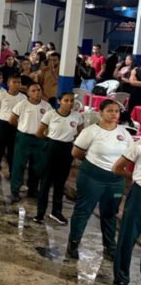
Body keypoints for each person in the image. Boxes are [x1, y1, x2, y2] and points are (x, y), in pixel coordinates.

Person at [67, 100, 131, 261]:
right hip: (92, 176)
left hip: (115, 180)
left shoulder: (124, 132)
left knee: (110, 213)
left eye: (117, 111)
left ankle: (109, 246)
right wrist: (94, 164)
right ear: (100, 112)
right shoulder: (91, 131)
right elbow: (76, 152)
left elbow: (129, 154)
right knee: (84, 210)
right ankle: (73, 243)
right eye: (110, 110)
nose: (114, 114)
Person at [34, 92, 83, 224]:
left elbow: (80, 132)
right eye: (66, 100)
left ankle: (56, 212)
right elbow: (39, 133)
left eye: (72, 101)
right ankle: (40, 213)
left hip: (67, 149)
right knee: (45, 182)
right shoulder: (50, 114)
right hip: (51, 148)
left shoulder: (77, 116)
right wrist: (51, 143)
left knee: (60, 183)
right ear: (59, 101)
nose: (69, 103)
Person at [9, 83, 52, 202]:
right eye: (33, 90)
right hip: (24, 138)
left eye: (39, 90)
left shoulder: (47, 106)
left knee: (37, 166)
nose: (37, 93)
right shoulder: (22, 104)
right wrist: (23, 127)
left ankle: (32, 189)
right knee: (19, 164)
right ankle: (15, 190)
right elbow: (12, 119)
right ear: (28, 93)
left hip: (40, 140)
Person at [111, 140, 141, 285]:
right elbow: (117, 167)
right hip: (139, 196)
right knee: (127, 239)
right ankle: (121, 283)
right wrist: (135, 178)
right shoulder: (138, 145)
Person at [0, 74, 25, 181]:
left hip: (16, 126)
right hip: (3, 125)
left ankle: (12, 173)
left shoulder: (23, 98)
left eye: (19, 82)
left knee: (13, 152)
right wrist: (1, 117)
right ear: (9, 83)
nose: (17, 84)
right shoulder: (2, 95)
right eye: (14, 82)